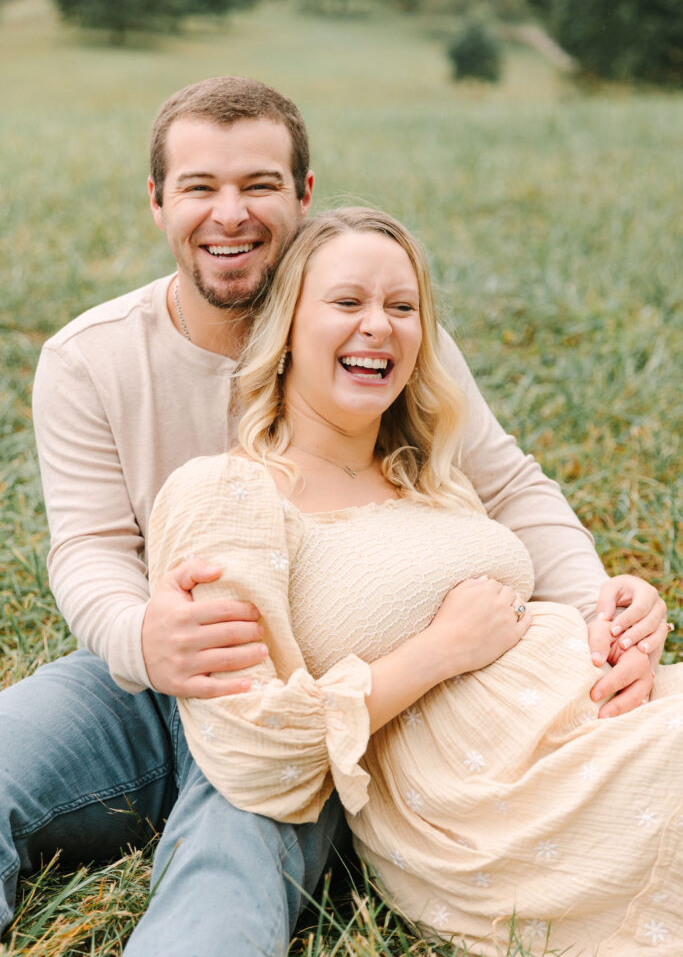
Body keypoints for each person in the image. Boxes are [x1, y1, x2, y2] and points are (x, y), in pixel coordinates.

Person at [0, 76, 667, 954]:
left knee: (226, 865)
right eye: (200, 187)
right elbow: (88, 547)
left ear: (302, 197)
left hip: (322, 690)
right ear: (158, 203)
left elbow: (508, 484)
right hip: (155, 669)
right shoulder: (93, 360)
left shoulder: (378, 337)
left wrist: (600, 615)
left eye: (260, 185)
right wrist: (143, 637)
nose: (229, 214)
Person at [148, 206, 683, 957]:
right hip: (508, 799)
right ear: (286, 331)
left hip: (611, 717)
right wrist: (439, 650)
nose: (379, 325)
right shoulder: (227, 494)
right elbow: (248, 752)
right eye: (346, 303)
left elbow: (528, 552)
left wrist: (617, 610)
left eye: (402, 307)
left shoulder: (427, 474)